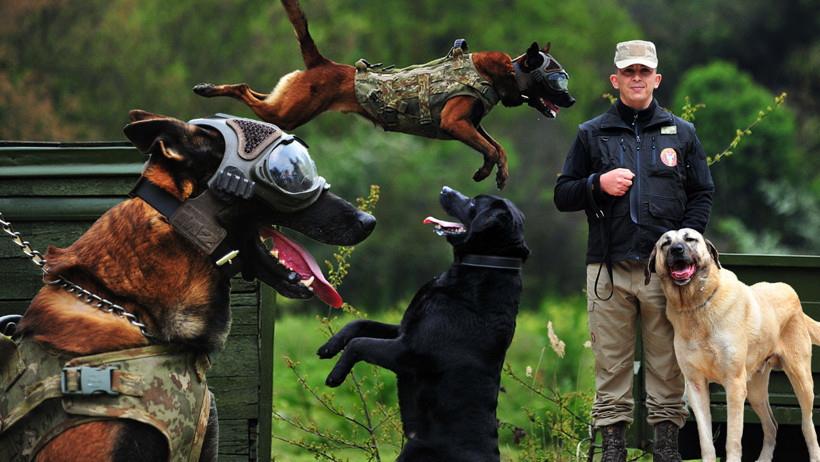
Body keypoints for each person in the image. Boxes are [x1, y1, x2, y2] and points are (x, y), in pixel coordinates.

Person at [554, 40, 714, 462]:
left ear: (657, 78)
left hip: (668, 275)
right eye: (629, 72)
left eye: (644, 72)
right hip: (608, 268)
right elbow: (563, 194)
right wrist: (596, 185)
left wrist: (687, 246)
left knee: (669, 363)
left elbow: (702, 193)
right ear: (616, 80)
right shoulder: (591, 133)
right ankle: (612, 451)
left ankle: (665, 450)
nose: (637, 78)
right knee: (611, 366)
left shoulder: (682, 133)